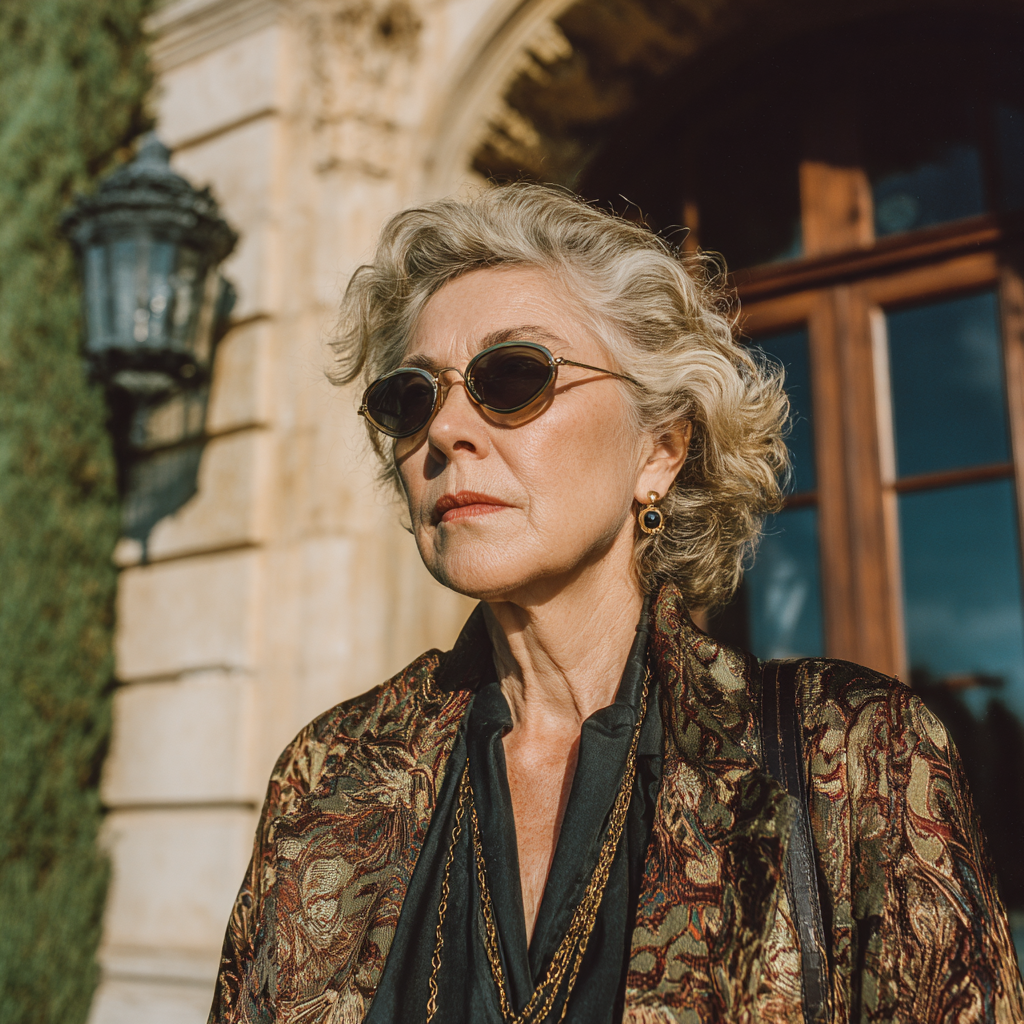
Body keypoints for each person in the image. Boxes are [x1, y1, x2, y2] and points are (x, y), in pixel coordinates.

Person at [208, 184, 1024, 1023]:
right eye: (411, 397)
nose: (446, 430)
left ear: (660, 451)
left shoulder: (856, 760)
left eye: (512, 376)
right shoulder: (327, 775)